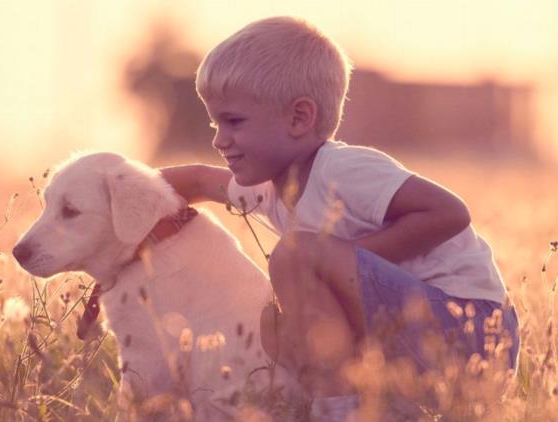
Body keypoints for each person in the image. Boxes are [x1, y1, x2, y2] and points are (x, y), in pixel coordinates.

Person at [159, 16, 519, 421]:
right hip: (415, 346)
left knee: (294, 257)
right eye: (214, 122)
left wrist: (346, 258)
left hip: (470, 336)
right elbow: (197, 180)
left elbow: (450, 212)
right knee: (273, 323)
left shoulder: (342, 170)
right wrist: (121, 208)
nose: (218, 139)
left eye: (234, 121)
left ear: (299, 118)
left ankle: (337, 410)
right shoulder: (272, 187)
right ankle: (365, 406)